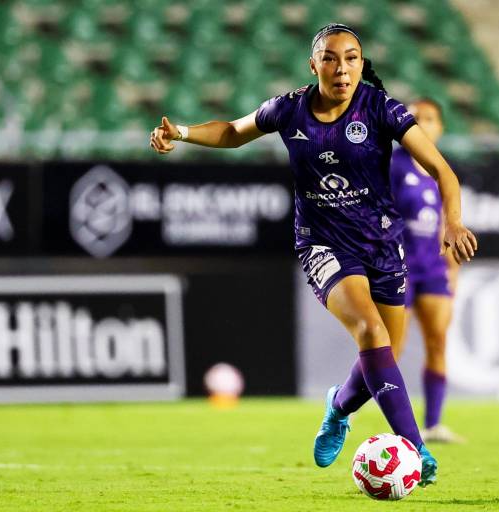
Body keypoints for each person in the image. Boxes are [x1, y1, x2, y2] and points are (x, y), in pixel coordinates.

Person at [149, 23, 477, 487]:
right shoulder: (289, 109)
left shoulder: (381, 108)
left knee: (386, 354)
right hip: (322, 244)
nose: (341, 67)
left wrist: (453, 221)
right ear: (314, 64)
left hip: (383, 243)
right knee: (370, 330)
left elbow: (442, 169)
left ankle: (337, 408)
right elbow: (231, 132)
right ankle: (415, 448)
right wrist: (180, 132)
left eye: (351, 58)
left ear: (362, 65)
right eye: (330, 58)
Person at [389, 99, 463, 443]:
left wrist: (452, 272)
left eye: (429, 118)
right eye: (415, 118)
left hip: (432, 269)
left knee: (438, 342)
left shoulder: (440, 172)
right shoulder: (392, 164)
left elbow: (446, 227)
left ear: (440, 128)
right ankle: (363, 409)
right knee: (390, 349)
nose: (422, 123)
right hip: (398, 267)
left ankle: (432, 424)